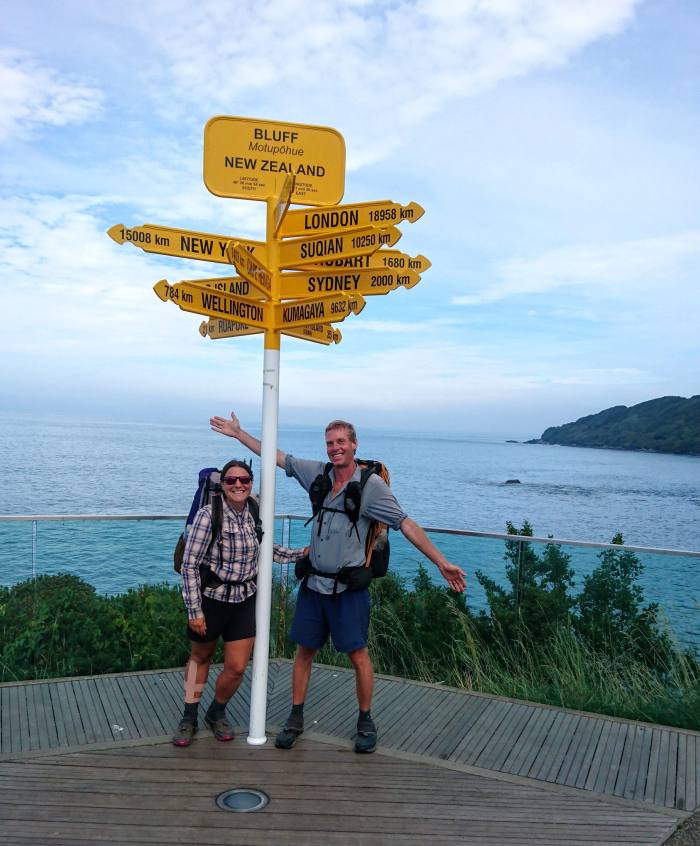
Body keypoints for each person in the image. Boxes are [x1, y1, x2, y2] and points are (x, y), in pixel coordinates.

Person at [209, 413, 467, 754]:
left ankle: (365, 721)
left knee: (358, 655)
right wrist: (239, 434)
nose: (335, 448)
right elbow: (277, 456)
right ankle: (295, 718)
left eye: (341, 442)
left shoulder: (371, 487)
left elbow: (405, 524)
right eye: (330, 443)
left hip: (347, 590)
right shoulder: (319, 474)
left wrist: (440, 561)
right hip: (314, 585)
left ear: (354, 444)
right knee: (304, 651)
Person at [172, 458, 306, 747]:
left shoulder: (254, 512)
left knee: (236, 668)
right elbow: (189, 565)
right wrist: (194, 611)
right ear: (222, 484)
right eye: (231, 480)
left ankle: (216, 712)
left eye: (244, 480)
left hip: (244, 600)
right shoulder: (208, 515)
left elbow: (265, 550)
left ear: (251, 483)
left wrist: (300, 554)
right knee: (200, 658)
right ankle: (189, 717)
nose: (238, 485)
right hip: (211, 600)